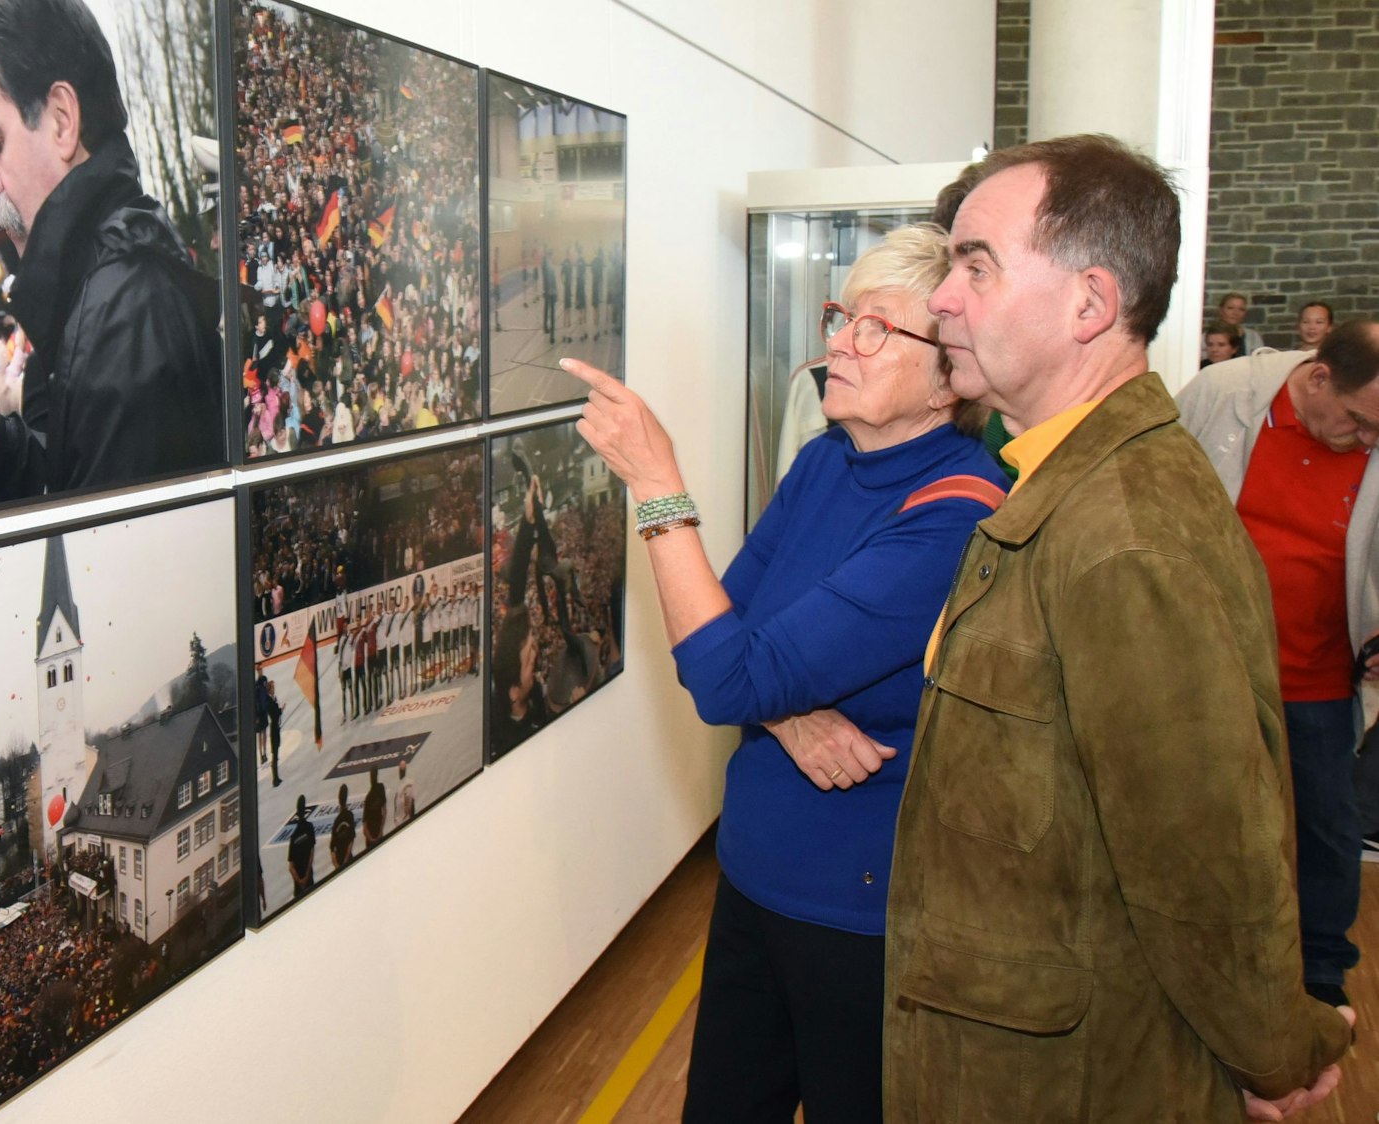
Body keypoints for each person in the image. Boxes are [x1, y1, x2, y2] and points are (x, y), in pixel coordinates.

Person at [889, 134, 1351, 1122]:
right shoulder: (1065, 481)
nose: (943, 299)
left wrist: (1279, 1055)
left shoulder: (1127, 531)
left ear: (1091, 303)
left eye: (976, 266)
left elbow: (1209, 864)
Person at [567, 220, 1006, 1124]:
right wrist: (789, 710)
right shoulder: (822, 464)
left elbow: (728, 670)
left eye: (876, 327)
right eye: (843, 315)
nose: (839, 341)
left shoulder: (960, 513)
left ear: (948, 372)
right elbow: (722, 639)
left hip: (860, 914)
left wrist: (658, 483)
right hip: (754, 871)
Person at [0, 0, 224, 499]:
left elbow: (107, 565)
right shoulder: (101, 287)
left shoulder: (124, 311)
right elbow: (77, 476)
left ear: (61, 120)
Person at [1177, 318, 1379, 1009]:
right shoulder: (1220, 396)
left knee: (1327, 830)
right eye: (1358, 421)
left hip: (1318, 679)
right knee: (1202, 822)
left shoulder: (1374, 427)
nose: (1368, 439)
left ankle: (1320, 975)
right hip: (1209, 674)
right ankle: (1195, 969)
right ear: (1320, 377)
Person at [1212, 290, 1266, 358]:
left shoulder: (1253, 336)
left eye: (1241, 309)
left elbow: (1261, 360)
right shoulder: (1206, 337)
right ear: (1221, 310)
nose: (1235, 313)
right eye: (1230, 308)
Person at [286, 795, 316, 899]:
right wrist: (306, 877)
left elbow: (291, 867)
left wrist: (299, 881)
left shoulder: (293, 837)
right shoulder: (309, 828)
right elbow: (311, 854)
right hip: (309, 880)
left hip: (298, 887)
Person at [328, 783, 357, 870]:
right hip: (346, 859)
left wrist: (337, 865)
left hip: (340, 860)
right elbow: (351, 840)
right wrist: (346, 860)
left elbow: (332, 847)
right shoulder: (349, 815)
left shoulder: (337, 821)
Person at [361, 766, 386, 851]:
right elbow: (364, 823)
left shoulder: (380, 789)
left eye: (373, 775)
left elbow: (384, 811)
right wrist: (370, 838)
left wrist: (380, 831)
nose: (372, 778)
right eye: (372, 776)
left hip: (377, 831)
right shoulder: (368, 797)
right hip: (371, 834)